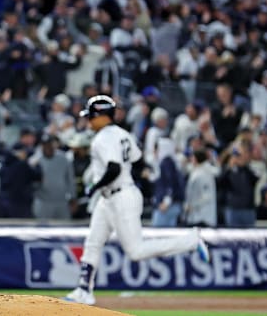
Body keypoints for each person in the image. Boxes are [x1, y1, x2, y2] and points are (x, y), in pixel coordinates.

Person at [64, 95, 209, 305]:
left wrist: (94, 187)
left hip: (120, 196)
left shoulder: (103, 138)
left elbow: (114, 168)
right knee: (93, 242)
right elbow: (139, 162)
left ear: (103, 116)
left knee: (135, 251)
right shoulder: (123, 134)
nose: (89, 120)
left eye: (92, 116)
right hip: (114, 196)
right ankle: (84, 289)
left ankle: (191, 241)